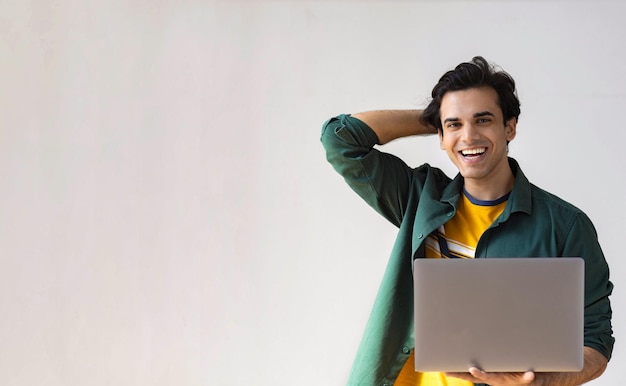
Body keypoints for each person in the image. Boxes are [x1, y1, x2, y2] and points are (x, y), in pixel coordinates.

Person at [320, 56, 614, 386]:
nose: (469, 136)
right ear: (441, 137)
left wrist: (543, 381)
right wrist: (436, 117)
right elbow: (340, 140)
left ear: (510, 127)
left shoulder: (566, 226)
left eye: (483, 120)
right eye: (455, 125)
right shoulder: (419, 198)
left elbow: (596, 342)